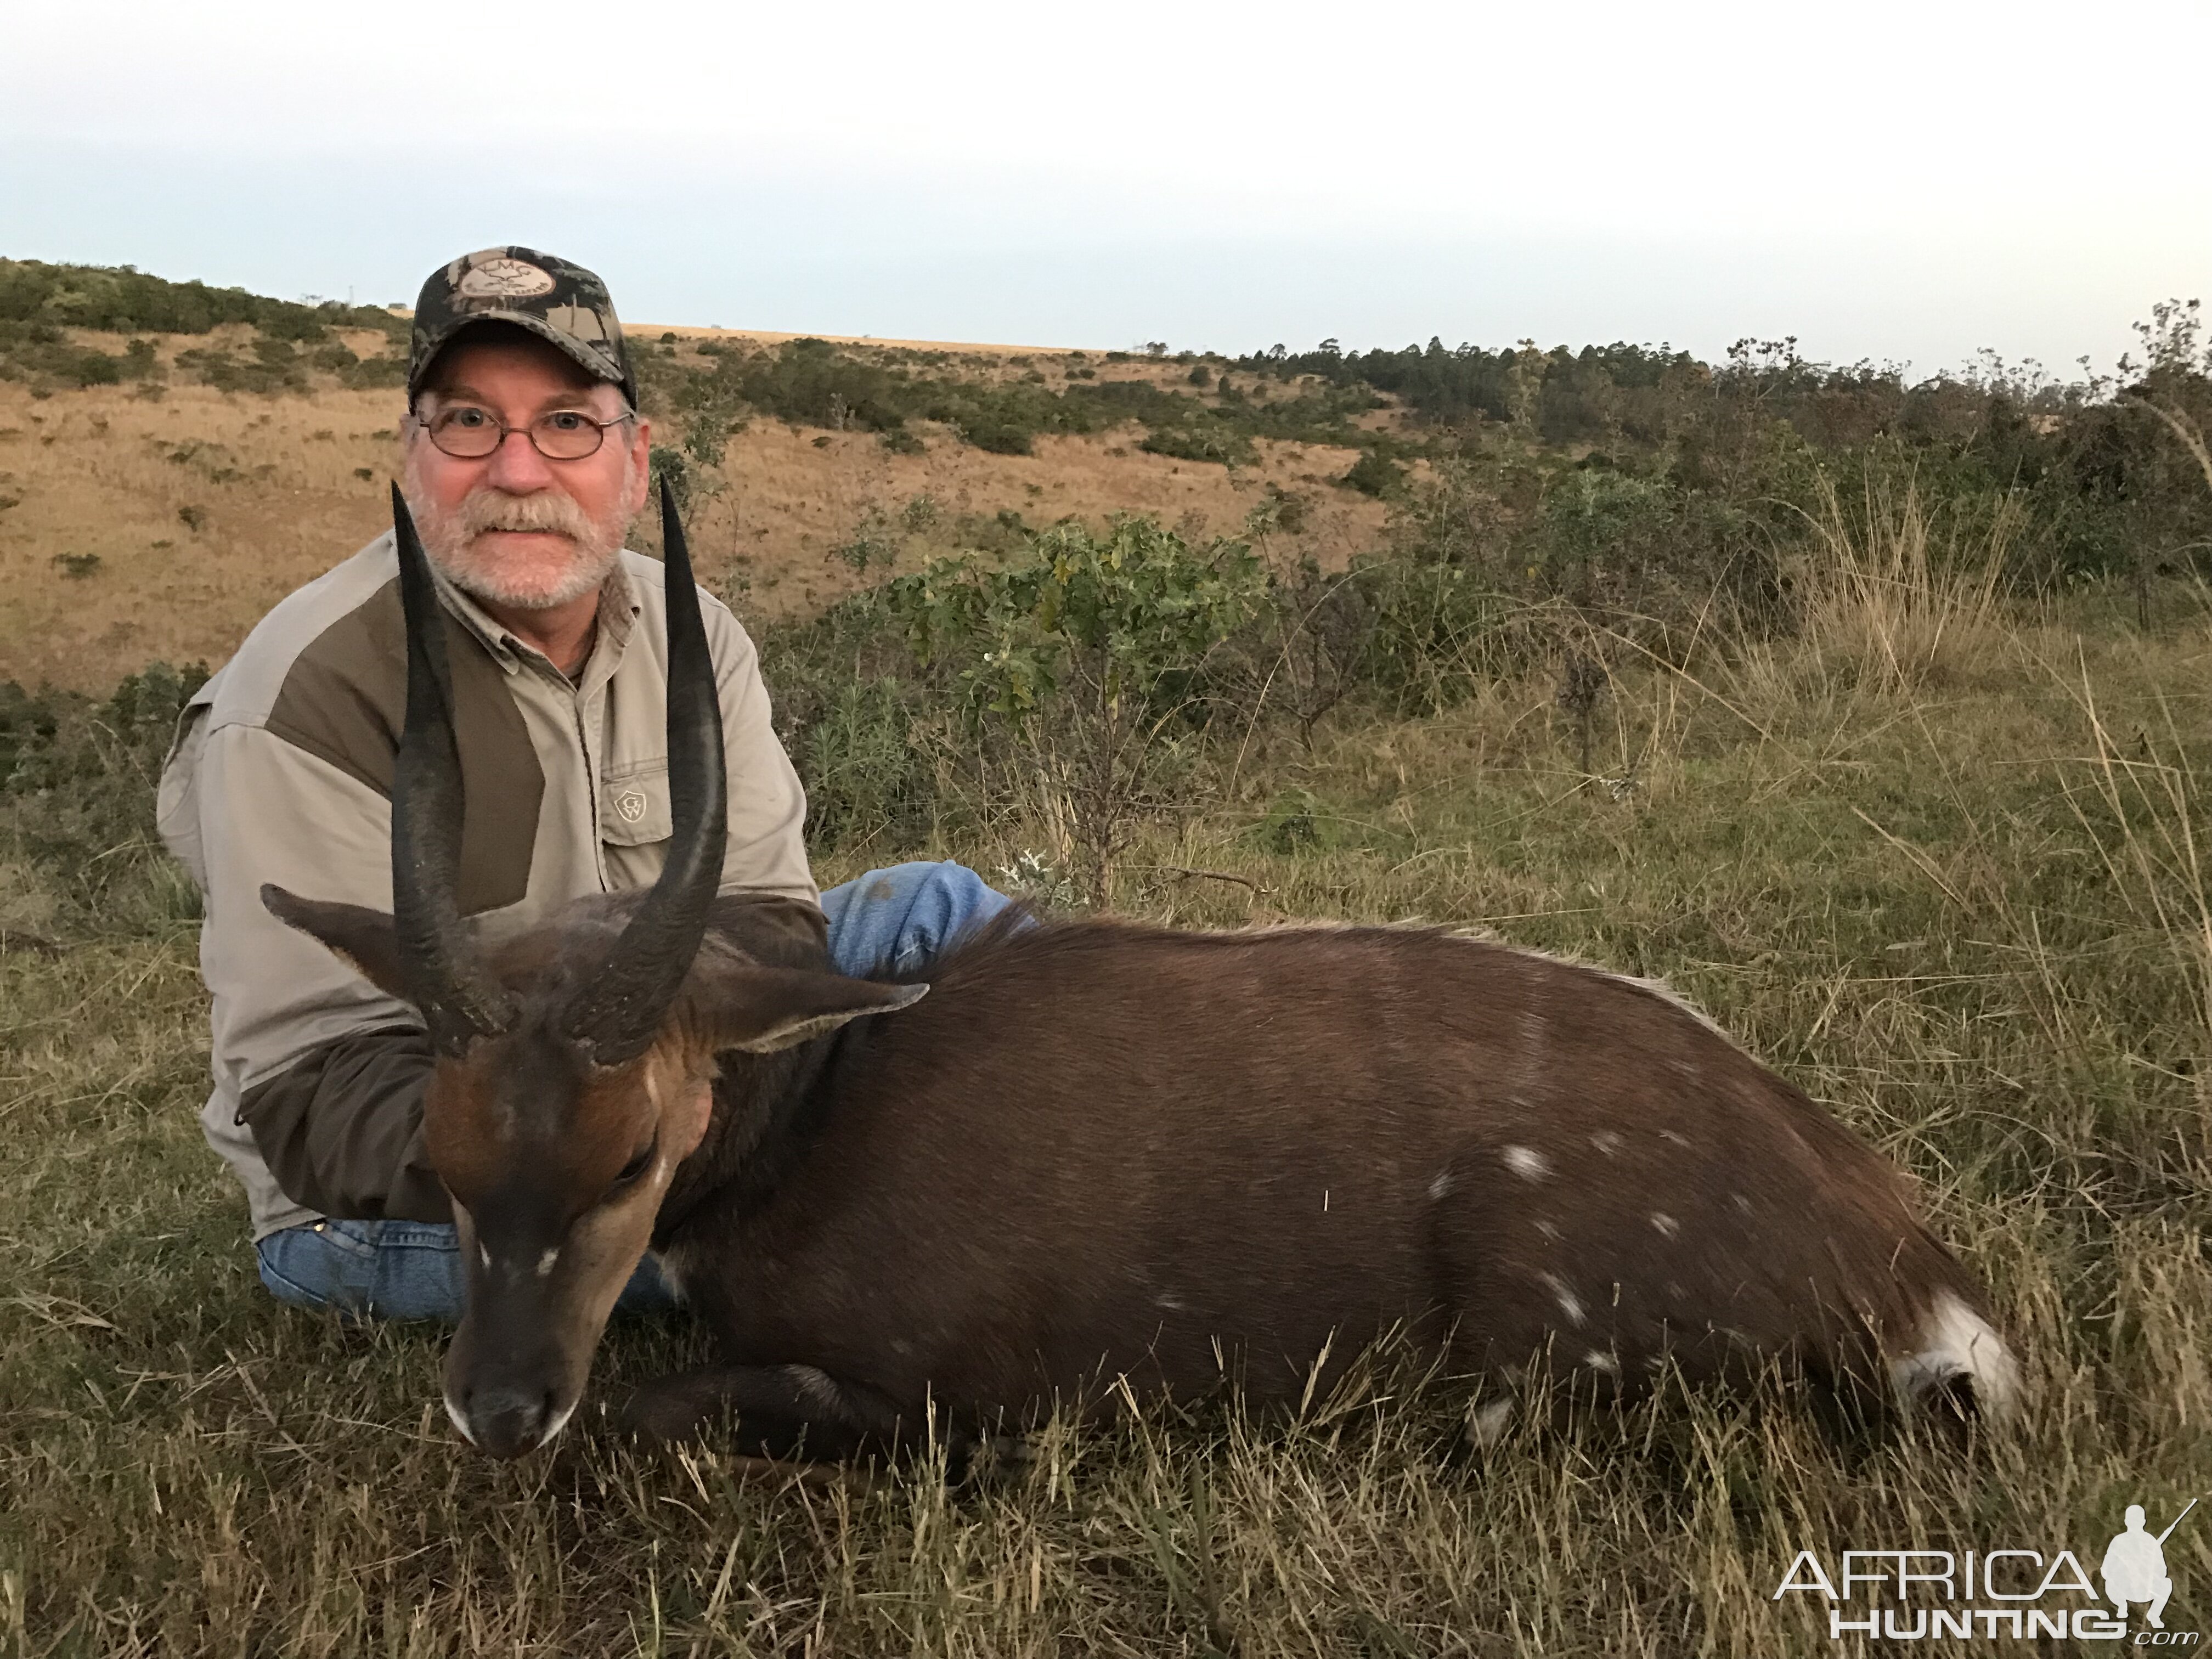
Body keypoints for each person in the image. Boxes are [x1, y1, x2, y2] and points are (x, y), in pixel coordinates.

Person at [156, 246, 1009, 1321]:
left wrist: (687, 1076)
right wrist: (603, 1132)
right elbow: (310, 1089)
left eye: (567, 424)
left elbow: (776, 922)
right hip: (434, 1191)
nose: (520, 473)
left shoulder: (691, 634)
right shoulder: (300, 694)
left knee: (940, 911)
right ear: (412, 453)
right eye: (469, 424)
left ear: (635, 458)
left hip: (664, 1077)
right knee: (868, 1231)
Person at [2101, 1504, 2176, 1629]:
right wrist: (2124, 1569)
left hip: (2145, 1589)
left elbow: (2162, 1570)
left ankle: (2154, 1615)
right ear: (2126, 1522)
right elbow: (2106, 1569)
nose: (2135, 1523)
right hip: (2123, 1589)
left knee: (2167, 1583)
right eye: (2132, 1520)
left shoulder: (2151, 1542)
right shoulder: (2118, 1541)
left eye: (2137, 1519)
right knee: (2110, 1582)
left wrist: (2148, 1568)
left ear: (2143, 1522)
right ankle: (2121, 1606)